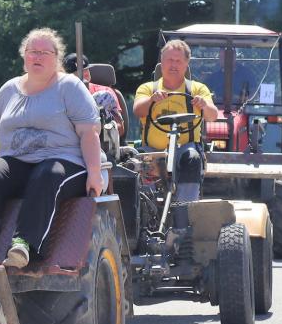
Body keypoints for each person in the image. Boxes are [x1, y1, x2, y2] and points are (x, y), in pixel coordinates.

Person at [0, 28, 103, 268]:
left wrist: (94, 173)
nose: (37, 57)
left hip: (64, 162)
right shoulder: (10, 89)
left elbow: (89, 132)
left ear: (56, 58)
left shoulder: (70, 87)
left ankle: (24, 244)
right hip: (19, 162)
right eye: (32, 51)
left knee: (46, 173)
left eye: (44, 52)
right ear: (24, 56)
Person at [132, 39, 219, 203]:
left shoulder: (197, 89)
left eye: (178, 61)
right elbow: (138, 110)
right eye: (169, 60)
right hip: (153, 151)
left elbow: (212, 116)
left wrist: (204, 105)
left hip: (184, 149)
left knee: (193, 158)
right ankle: (145, 205)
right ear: (161, 61)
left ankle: (185, 208)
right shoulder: (148, 88)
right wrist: (151, 100)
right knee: (139, 160)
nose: (173, 65)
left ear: (186, 64)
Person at [64, 52, 126, 137]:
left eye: (86, 69)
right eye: (79, 71)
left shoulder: (106, 93)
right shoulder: (62, 96)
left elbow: (120, 127)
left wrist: (106, 127)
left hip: (102, 140)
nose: (85, 72)